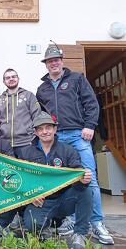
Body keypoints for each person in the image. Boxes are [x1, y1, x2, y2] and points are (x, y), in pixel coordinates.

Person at [36, 44, 114, 245]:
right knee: (64, 179)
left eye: (56, 60)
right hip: (56, 138)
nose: (53, 63)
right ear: (46, 64)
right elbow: (41, 116)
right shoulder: (42, 88)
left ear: (62, 61)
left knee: (88, 177)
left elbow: (91, 103)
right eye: (49, 61)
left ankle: (97, 223)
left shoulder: (77, 79)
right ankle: (71, 219)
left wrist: (90, 125)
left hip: (78, 135)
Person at [16, 111, 92, 249]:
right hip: (40, 202)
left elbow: (77, 174)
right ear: (36, 132)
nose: (45, 131)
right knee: (32, 224)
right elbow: (20, 181)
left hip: (64, 200)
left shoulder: (68, 150)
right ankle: (44, 230)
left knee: (87, 192)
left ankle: (79, 234)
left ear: (55, 129)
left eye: (48, 127)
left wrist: (83, 179)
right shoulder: (25, 152)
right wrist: (30, 195)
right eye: (40, 128)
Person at [0, 68, 41, 152]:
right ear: (4, 81)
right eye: (7, 78)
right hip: (4, 143)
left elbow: (37, 117)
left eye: (13, 76)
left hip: (26, 143)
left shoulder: (29, 96)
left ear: (18, 79)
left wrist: (33, 136)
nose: (11, 79)